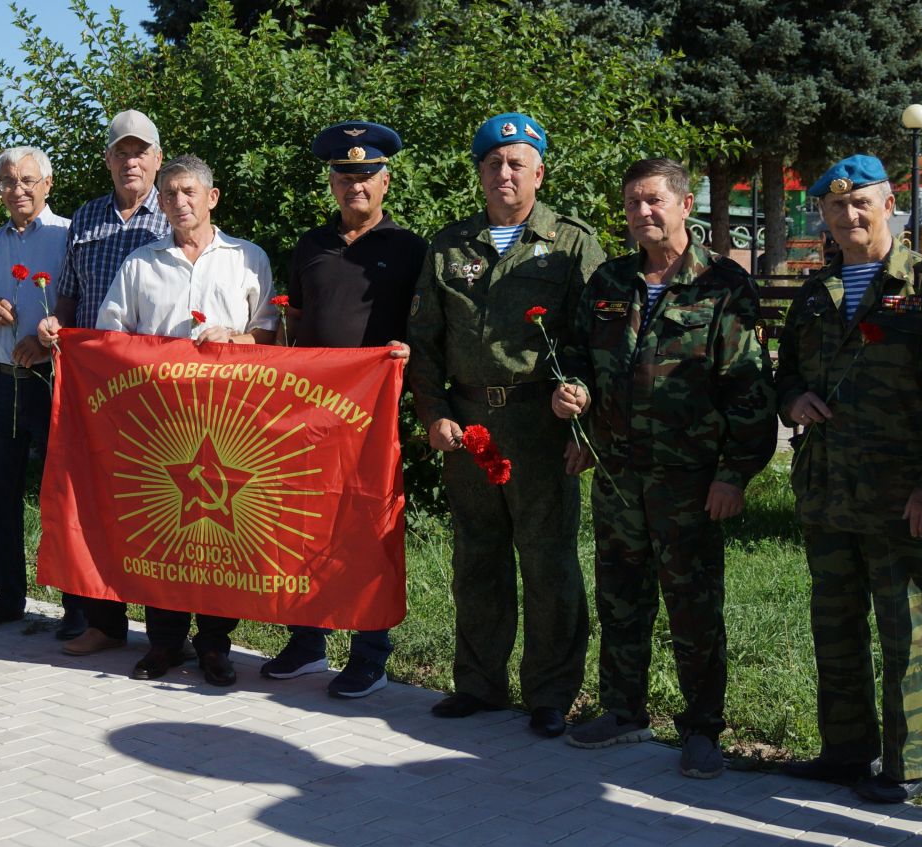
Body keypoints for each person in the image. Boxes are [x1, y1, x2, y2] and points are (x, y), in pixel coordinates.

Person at [554, 156, 773, 779]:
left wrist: (735, 473)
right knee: (621, 597)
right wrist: (572, 394)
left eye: (653, 200)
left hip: (691, 479)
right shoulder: (609, 282)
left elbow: (749, 389)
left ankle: (702, 727)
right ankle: (623, 710)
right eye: (632, 204)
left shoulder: (723, 284)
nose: (642, 213)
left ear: (684, 206)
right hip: (619, 473)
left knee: (693, 605)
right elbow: (579, 357)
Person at [405, 113, 605, 738]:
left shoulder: (572, 244)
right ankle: (480, 684)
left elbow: (598, 342)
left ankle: (550, 693)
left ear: (539, 172)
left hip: (540, 425)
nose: (504, 173)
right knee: (477, 559)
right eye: (493, 163)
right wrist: (433, 413)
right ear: (480, 173)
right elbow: (424, 342)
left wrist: (583, 428)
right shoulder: (448, 246)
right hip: (468, 427)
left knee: (548, 563)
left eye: (517, 162)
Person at [772, 154, 922, 803]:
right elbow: (785, 375)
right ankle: (845, 752)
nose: (848, 216)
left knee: (906, 628)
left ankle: (909, 765)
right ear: (822, 214)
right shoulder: (815, 294)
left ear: (888, 206)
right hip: (826, 492)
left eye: (861, 204)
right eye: (835, 206)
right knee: (835, 625)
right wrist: (793, 401)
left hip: (898, 495)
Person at [96, 154, 278, 686]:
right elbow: (111, 336)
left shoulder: (247, 260)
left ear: (211, 197)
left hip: (230, 423)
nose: (179, 202)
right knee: (163, 533)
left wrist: (233, 338)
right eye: (170, 193)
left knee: (221, 536)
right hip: (160, 423)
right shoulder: (140, 264)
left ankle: (216, 646)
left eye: (189, 193)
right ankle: (165, 643)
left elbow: (271, 336)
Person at [259, 121, 423, 699]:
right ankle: (307, 642)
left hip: (372, 415)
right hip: (310, 415)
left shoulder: (409, 248)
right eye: (345, 174)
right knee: (304, 523)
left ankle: (370, 650)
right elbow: (297, 323)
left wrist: (408, 353)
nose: (356, 184)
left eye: (367, 175)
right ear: (332, 181)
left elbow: (425, 329)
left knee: (367, 528)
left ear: (385, 181)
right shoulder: (311, 245)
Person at [34, 110, 172, 654]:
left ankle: (165, 628)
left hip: (154, 390)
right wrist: (55, 325)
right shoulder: (86, 218)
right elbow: (68, 293)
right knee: (96, 501)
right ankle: (104, 620)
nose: (131, 161)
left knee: (159, 503)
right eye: (121, 151)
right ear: (108, 160)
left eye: (141, 152)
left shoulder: (173, 214)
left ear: (158, 160)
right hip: (95, 389)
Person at [0, 145, 70, 630]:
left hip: (53, 384)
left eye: (26, 180)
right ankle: (7, 595)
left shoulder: (68, 237)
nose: (16, 189)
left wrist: (48, 340)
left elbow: (83, 310)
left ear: (46, 184)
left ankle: (76, 605)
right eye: (7, 181)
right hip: (2, 384)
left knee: (61, 494)